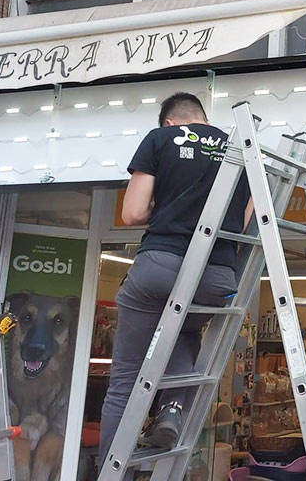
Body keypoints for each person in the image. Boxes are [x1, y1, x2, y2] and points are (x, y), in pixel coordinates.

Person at [99, 92, 251, 466]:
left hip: (161, 268)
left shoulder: (159, 140)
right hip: (216, 278)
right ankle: (170, 410)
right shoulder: (240, 149)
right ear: (202, 118)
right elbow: (243, 223)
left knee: (124, 382)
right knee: (183, 329)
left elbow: (132, 213)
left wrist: (164, 207)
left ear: (170, 123)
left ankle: (109, 468)